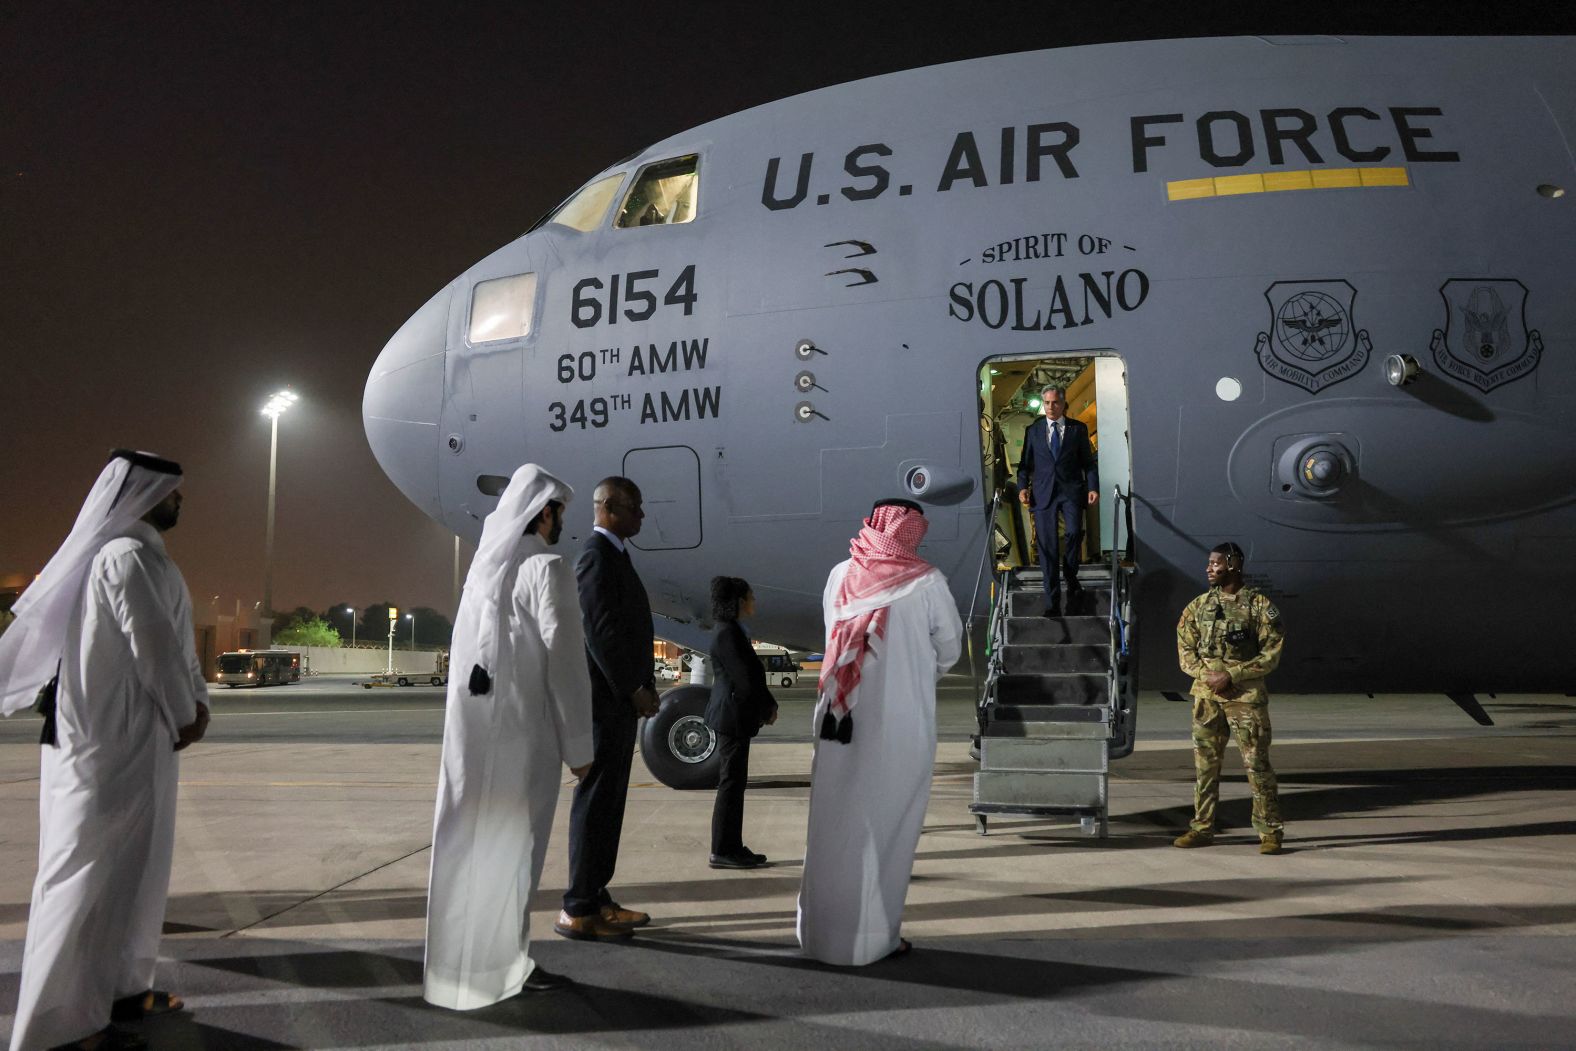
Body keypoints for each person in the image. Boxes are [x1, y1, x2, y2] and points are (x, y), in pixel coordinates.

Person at [0, 450, 211, 1051]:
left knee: (135, 874)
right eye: (172, 492)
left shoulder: (150, 558)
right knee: (81, 878)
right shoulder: (124, 557)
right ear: (145, 496)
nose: (179, 501)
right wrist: (184, 710)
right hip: (104, 749)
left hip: (142, 743)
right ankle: (52, 1027)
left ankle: (121, 991)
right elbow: (153, 648)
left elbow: (177, 648)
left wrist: (196, 706)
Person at [424, 463, 594, 1008]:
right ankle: (507, 965)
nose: (563, 522)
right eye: (560, 512)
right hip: (526, 737)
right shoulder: (548, 567)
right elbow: (566, 663)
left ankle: (458, 971)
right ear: (544, 512)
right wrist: (580, 748)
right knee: (516, 854)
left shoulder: (484, 569)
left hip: (473, 740)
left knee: (468, 848)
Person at [797, 499, 963, 966]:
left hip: (836, 721)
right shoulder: (926, 583)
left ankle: (819, 937)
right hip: (898, 725)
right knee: (887, 830)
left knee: (831, 828)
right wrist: (911, 671)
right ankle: (872, 940)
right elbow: (949, 648)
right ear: (912, 532)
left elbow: (833, 634)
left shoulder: (840, 576)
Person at [557, 477, 660, 941]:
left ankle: (596, 897)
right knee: (597, 800)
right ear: (612, 508)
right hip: (605, 704)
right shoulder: (596, 558)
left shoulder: (615, 555)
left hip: (616, 701)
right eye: (636, 508)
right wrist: (633, 687)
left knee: (609, 802)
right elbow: (600, 633)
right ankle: (578, 906)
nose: (642, 516)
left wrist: (643, 683)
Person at [1174, 542, 1287, 855]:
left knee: (1257, 765)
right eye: (1209, 563)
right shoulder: (1197, 607)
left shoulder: (1259, 606)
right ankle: (1201, 828)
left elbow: (1272, 653)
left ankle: (1270, 832)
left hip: (1245, 699)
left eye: (1216, 563)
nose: (1209, 568)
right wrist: (1208, 676)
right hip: (1206, 697)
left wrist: (1233, 676)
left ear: (1234, 565)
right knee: (1205, 767)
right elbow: (1185, 652)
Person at [703, 576, 779, 869]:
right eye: (750, 596)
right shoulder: (727, 634)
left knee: (734, 783)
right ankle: (722, 849)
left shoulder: (731, 630)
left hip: (733, 715)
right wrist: (766, 708)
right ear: (738, 602)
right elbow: (746, 680)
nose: (754, 601)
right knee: (731, 784)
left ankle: (731, 845)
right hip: (732, 716)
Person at [1016, 385, 1099, 616]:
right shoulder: (1033, 430)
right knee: (1048, 548)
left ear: (1063, 404)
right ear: (1043, 404)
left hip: (1071, 491)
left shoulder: (1078, 429)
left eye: (1055, 403)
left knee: (1074, 532)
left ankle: (1071, 576)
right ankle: (1052, 602)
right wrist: (1022, 487)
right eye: (1047, 403)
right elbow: (1025, 465)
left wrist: (1093, 487)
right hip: (1043, 494)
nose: (1051, 407)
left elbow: (1089, 463)